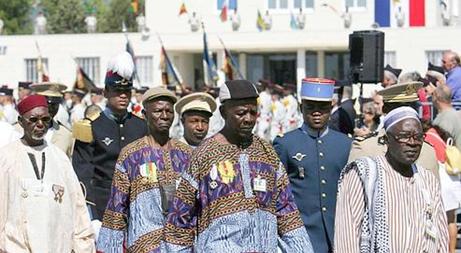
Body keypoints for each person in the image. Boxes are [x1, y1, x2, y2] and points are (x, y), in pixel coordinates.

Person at [164, 80, 313, 252]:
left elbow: (288, 214)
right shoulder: (203, 155)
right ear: (223, 112)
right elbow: (178, 223)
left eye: (252, 112)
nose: (248, 119)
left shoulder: (268, 154)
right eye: (241, 113)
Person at [335, 107, 448, 252]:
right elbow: (346, 238)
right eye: (404, 136)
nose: (412, 143)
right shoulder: (363, 175)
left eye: (418, 136)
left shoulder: (428, 180)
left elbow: (441, 238)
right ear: (387, 139)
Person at [97, 87, 192, 252]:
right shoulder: (131, 155)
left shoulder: (186, 154)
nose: (164, 116)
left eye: (168, 111)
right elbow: (117, 208)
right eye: (157, 111)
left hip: (181, 246)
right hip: (143, 245)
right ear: (145, 114)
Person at [0, 95, 95, 252]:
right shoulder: (6, 158)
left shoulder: (60, 159)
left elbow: (78, 208)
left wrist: (82, 246)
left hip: (57, 245)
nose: (40, 124)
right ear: (20, 121)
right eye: (33, 119)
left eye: (45, 119)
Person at [273, 78, 352, 253]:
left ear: (331, 108)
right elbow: (277, 192)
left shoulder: (345, 144)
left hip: (338, 232)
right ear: (301, 108)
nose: (317, 113)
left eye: (323, 108)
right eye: (310, 107)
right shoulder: (285, 143)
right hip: (301, 234)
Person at [72, 52, 148, 220]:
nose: (122, 96)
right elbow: (82, 172)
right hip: (102, 205)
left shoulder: (141, 126)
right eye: (117, 91)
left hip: (136, 203)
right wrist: (90, 213)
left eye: (127, 91)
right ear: (106, 92)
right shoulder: (91, 126)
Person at [349, 81, 439, 176]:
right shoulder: (365, 147)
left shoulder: (365, 147)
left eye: (410, 108)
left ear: (384, 109)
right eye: (400, 109)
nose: (406, 114)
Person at [425, 125, 461, 253]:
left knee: (439, 219)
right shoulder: (439, 137)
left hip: (442, 181)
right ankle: (451, 250)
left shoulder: (428, 137)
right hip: (453, 181)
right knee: (451, 220)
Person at [30, 82, 74, 157]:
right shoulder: (19, 131)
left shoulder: (65, 134)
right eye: (47, 104)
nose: (51, 108)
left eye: (55, 104)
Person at [432, 84, 461, 150]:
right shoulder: (452, 114)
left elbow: (442, 142)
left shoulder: (447, 118)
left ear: (437, 96)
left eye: (432, 94)